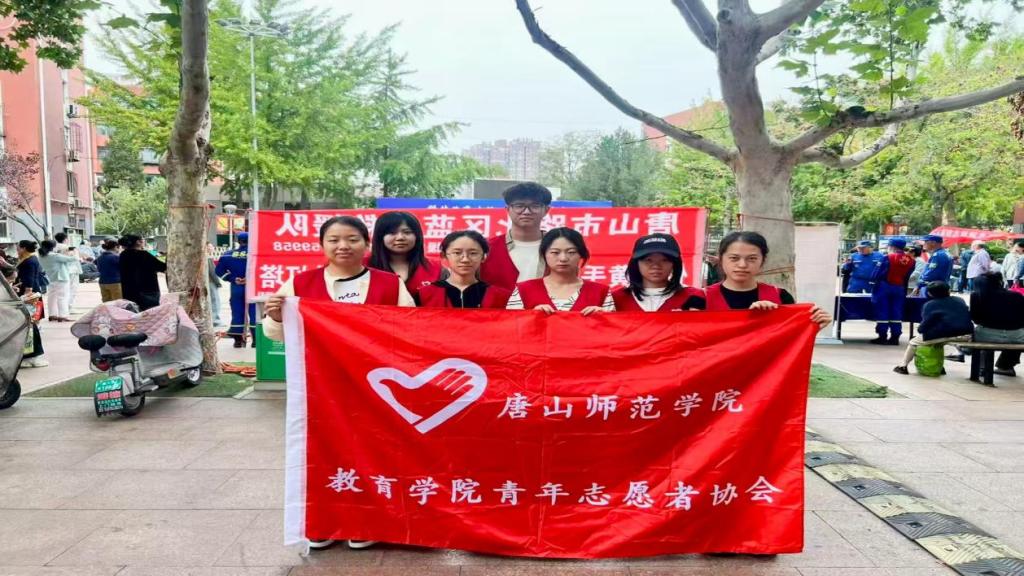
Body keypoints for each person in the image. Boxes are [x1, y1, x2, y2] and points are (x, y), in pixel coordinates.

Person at [264, 215, 415, 342]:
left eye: (353, 240)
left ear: (367, 244)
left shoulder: (391, 284)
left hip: (378, 367)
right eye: (334, 240)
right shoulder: (300, 283)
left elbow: (410, 328)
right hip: (321, 368)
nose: (343, 246)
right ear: (322, 245)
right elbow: (275, 335)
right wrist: (277, 319)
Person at [704, 231, 832, 329]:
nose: (742, 265)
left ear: (763, 260)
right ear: (721, 259)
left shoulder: (781, 297)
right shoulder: (701, 298)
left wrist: (814, 325)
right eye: (734, 258)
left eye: (752, 259)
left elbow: (790, 339)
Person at [506, 227, 613, 315]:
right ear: (544, 254)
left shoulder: (601, 292)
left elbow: (613, 330)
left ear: (581, 254)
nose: (563, 258)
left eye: (571, 252)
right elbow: (510, 328)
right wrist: (530, 316)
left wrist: (604, 318)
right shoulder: (523, 290)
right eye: (555, 252)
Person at [480, 182, 552, 291]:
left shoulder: (558, 248)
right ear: (508, 209)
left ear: (546, 210)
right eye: (519, 206)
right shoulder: (486, 248)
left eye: (535, 206)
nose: (526, 212)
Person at [893, 282, 973, 374]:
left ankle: (902, 366)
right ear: (949, 291)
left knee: (913, 342)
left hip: (946, 334)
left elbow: (924, 326)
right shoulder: (959, 300)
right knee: (938, 341)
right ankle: (939, 367)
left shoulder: (930, 305)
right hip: (967, 334)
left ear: (929, 294)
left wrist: (920, 329)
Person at [418, 230, 512, 309]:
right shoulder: (424, 294)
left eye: (473, 253)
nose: (465, 259)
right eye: (457, 253)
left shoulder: (501, 297)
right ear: (444, 255)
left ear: (484, 257)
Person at [611, 233, 705, 312]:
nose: (656, 266)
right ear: (636, 263)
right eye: (648, 260)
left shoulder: (694, 297)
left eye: (664, 260)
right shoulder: (616, 299)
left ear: (675, 264)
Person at [368, 211, 442, 298]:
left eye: (407, 232)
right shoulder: (362, 266)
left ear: (417, 236)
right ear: (380, 237)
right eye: (392, 233)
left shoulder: (437, 269)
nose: (400, 238)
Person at [970, 272, 1024, 377]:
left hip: (987, 335)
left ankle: (982, 366)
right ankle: (1006, 366)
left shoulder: (977, 296)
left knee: (980, 333)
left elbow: (976, 319)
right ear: (1000, 282)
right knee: (1016, 334)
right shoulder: (1017, 296)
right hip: (1016, 336)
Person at [869, 238, 916, 345]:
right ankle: (895, 337)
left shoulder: (887, 257)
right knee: (896, 311)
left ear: (892, 247)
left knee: (882, 310)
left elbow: (877, 273)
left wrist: (872, 283)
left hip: (884, 286)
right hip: (900, 288)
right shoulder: (911, 260)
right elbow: (907, 276)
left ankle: (882, 336)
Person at [215, 232, 256, 347]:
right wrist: (250, 278)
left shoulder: (228, 255)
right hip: (253, 287)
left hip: (236, 288)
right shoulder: (256, 255)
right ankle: (256, 341)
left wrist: (232, 278)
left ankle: (238, 341)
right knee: (254, 312)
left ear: (238, 241)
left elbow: (218, 271)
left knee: (237, 312)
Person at [15, 240, 48, 368]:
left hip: (30, 296)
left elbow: (30, 279)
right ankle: (30, 356)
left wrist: (27, 294)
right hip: (29, 295)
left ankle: (32, 357)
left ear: (24, 248)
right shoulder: (28, 259)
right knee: (30, 325)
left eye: (18, 248)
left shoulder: (30, 261)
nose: (17, 250)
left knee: (31, 324)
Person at [118, 234, 167, 311]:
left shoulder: (123, 255)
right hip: (147, 290)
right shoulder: (144, 255)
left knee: (134, 314)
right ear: (138, 242)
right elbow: (163, 267)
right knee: (151, 313)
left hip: (129, 291)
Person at [38, 239, 78, 322]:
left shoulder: (41, 256)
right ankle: (63, 315)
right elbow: (73, 259)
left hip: (51, 278)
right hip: (61, 278)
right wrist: (75, 252)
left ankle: (52, 314)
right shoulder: (55, 256)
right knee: (63, 297)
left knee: (52, 297)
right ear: (53, 247)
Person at [207, 243, 224, 326]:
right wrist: (218, 282)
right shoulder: (208, 258)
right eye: (210, 246)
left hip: (206, 282)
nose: (212, 248)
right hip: (211, 282)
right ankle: (215, 321)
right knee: (215, 302)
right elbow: (213, 272)